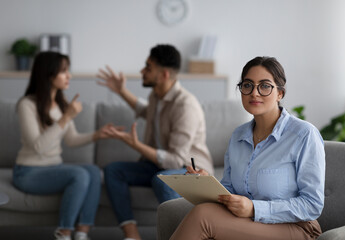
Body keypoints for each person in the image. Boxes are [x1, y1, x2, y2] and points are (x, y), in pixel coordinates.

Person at [169, 56, 326, 240]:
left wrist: (254, 208)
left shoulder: (304, 135)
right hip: (250, 224)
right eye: (248, 85)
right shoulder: (238, 136)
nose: (255, 93)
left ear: (280, 93)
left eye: (265, 86)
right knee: (204, 213)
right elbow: (231, 190)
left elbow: (312, 205)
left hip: (297, 228)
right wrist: (208, 185)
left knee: (203, 217)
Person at [97, 44, 214, 240]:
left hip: (189, 169)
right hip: (157, 165)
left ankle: (181, 236)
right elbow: (145, 110)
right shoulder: (157, 96)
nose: (142, 71)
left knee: (162, 179)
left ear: (164, 75)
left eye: (148, 67)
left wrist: (135, 145)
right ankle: (132, 234)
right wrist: (121, 91)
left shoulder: (185, 106)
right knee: (113, 170)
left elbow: (176, 160)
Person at [13, 51, 113, 240]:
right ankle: (64, 233)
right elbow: (38, 147)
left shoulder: (61, 103)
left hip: (53, 167)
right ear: (48, 74)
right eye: (63, 71)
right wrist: (66, 117)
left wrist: (97, 135)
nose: (69, 76)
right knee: (79, 174)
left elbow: (71, 139)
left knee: (92, 171)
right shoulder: (26, 105)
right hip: (28, 172)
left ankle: (82, 233)